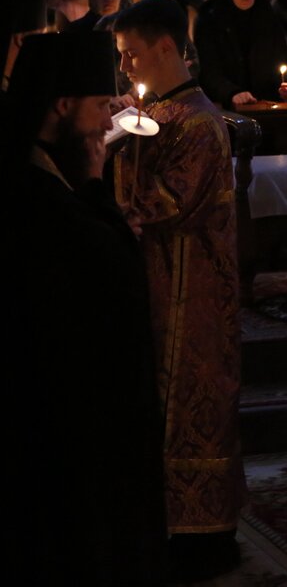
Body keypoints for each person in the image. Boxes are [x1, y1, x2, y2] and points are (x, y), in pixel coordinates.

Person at [1, 30, 166, 584]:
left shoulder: (43, 174)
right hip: (60, 427)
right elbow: (109, 279)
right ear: (63, 105)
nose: (105, 124)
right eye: (100, 107)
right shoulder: (32, 192)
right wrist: (99, 195)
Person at [112, 0, 244, 580]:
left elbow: (161, 204)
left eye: (132, 54)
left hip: (195, 293)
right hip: (162, 283)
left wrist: (109, 159)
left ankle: (204, 537)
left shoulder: (200, 124)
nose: (126, 68)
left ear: (166, 47)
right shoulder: (164, 112)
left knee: (194, 404)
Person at [194, 0, 287, 107]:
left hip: (267, 104)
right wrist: (231, 92)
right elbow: (208, 70)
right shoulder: (211, 20)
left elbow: (283, 58)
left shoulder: (268, 16)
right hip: (227, 107)